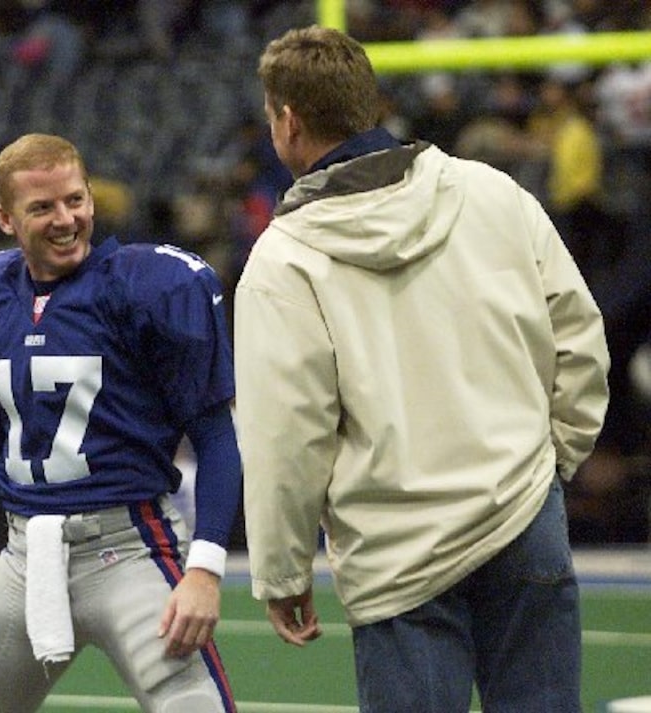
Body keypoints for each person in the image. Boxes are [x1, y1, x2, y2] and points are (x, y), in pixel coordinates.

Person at [234, 26, 610, 713]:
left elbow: (285, 433)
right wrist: (552, 460)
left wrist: (283, 569)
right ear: (368, 104)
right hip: (522, 510)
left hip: (398, 552)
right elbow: (580, 339)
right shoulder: (494, 194)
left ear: (286, 122)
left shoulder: (283, 261)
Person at [0, 133, 240, 713]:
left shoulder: (151, 284)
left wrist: (206, 569)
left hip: (129, 548)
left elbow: (215, 438)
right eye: (43, 207)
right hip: (26, 553)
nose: (66, 219)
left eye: (75, 200)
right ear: (6, 218)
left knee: (191, 701)